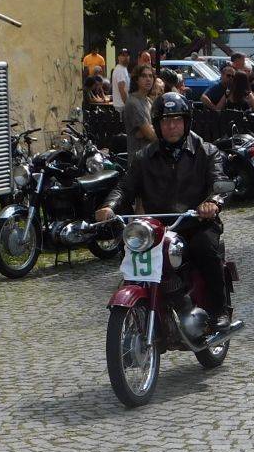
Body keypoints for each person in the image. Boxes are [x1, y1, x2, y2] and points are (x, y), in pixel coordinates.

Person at [96, 92, 231, 326]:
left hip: (196, 224)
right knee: (132, 252)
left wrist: (213, 202)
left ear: (186, 122)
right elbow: (125, 187)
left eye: (177, 120)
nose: (172, 126)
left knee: (204, 248)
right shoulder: (144, 157)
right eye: (166, 121)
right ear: (157, 125)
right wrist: (109, 206)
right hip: (158, 228)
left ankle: (219, 310)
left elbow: (220, 182)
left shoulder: (206, 151)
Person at [122, 67, 157, 163]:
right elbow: (151, 136)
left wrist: (150, 128)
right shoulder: (133, 103)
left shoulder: (148, 100)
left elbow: (156, 126)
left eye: (150, 76)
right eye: (144, 76)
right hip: (139, 161)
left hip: (151, 157)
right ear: (136, 80)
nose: (148, 79)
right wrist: (150, 130)